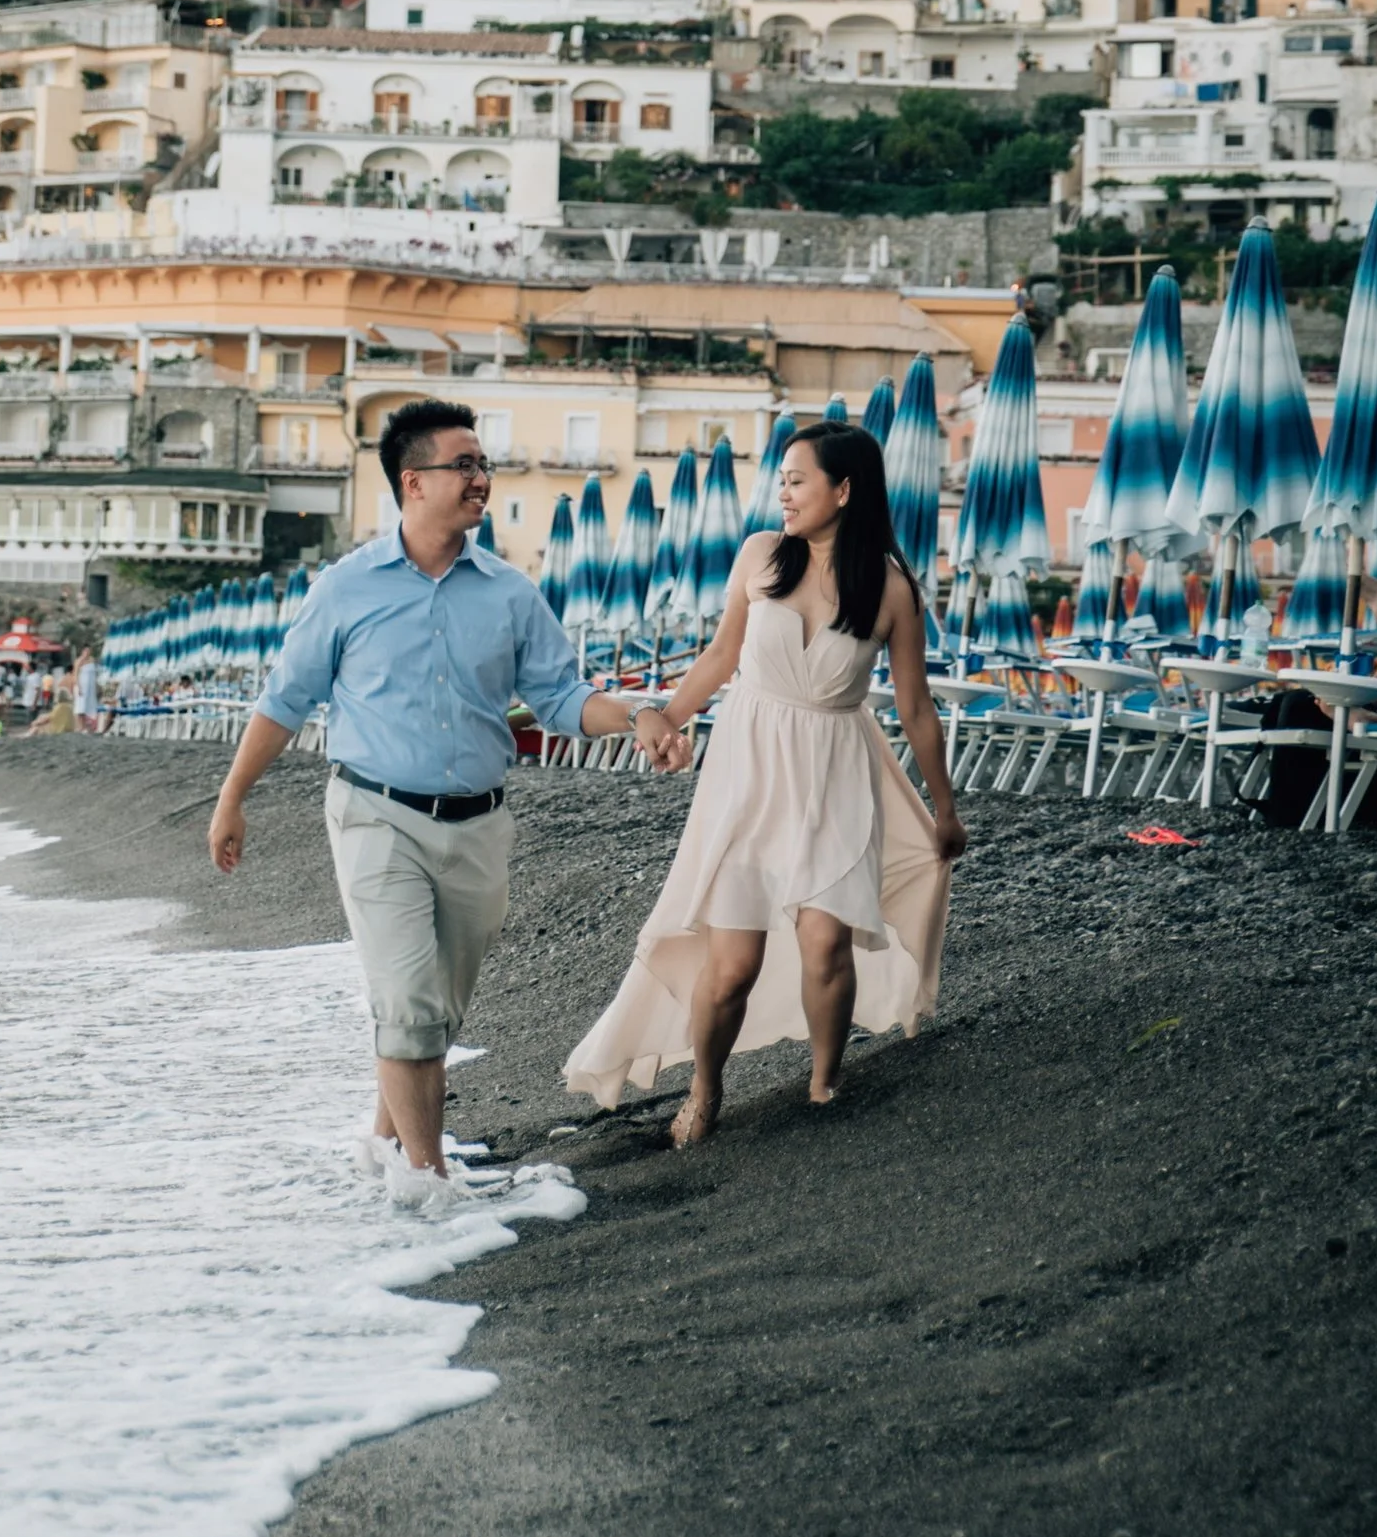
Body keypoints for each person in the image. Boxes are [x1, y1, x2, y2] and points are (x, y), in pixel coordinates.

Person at [209, 395, 644, 1205]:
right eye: (465, 464)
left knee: (434, 1011)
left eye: (483, 464)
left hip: (479, 824)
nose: (482, 478)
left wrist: (638, 715)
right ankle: (430, 1186)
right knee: (409, 1002)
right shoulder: (346, 587)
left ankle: (383, 1143)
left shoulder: (511, 593)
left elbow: (561, 700)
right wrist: (233, 797)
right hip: (375, 813)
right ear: (413, 482)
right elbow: (284, 700)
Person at [565, 422, 966, 1147]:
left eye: (797, 478)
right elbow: (722, 656)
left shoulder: (893, 588)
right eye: (781, 478)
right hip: (748, 771)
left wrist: (944, 807)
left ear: (843, 490)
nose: (782, 491)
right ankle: (705, 1085)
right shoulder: (760, 554)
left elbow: (916, 709)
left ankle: (823, 1082)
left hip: (836, 773)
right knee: (732, 966)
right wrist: (665, 719)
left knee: (825, 944)